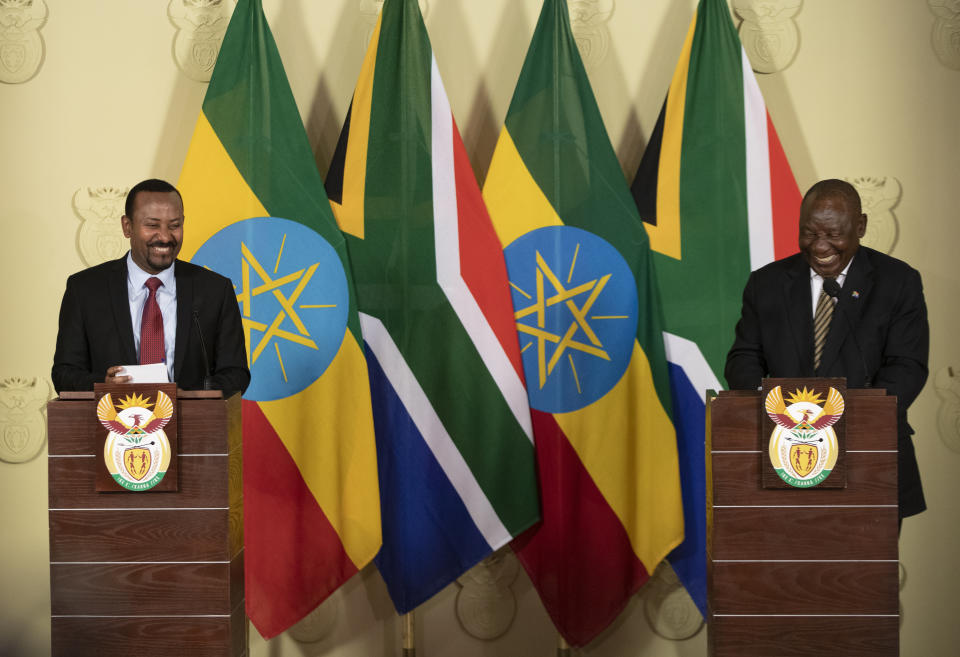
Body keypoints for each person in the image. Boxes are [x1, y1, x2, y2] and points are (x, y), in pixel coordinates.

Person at [725, 178, 928, 519]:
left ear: (860, 226)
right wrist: (777, 411)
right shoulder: (767, 283)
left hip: (869, 460)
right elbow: (743, 358)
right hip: (782, 458)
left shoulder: (898, 282)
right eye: (809, 233)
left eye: (833, 234)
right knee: (786, 569)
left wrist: (838, 419)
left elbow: (907, 367)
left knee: (862, 571)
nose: (820, 246)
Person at [52, 178, 250, 396]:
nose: (165, 237)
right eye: (152, 225)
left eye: (175, 225)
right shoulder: (85, 290)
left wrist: (191, 395)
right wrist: (101, 384)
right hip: (109, 424)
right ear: (127, 227)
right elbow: (64, 373)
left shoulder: (214, 290)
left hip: (191, 424)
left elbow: (236, 373)